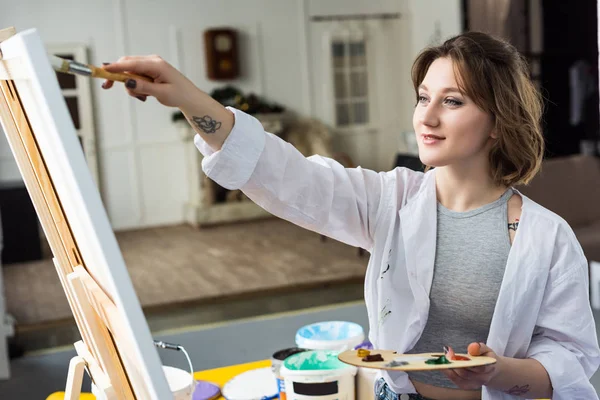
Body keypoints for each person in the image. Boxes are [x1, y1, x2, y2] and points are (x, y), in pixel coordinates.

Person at [102, 31, 600, 399]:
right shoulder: (392, 200)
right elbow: (289, 177)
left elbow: (570, 361)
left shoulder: (546, 238)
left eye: (452, 101)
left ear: (498, 123)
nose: (426, 117)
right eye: (423, 97)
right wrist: (186, 96)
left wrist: (494, 371)